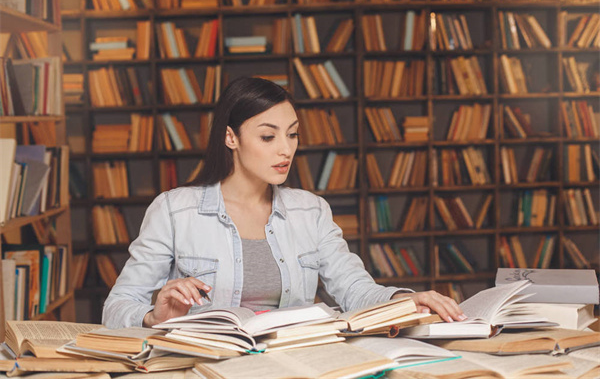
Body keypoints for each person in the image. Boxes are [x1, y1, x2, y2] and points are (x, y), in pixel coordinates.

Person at [102, 77, 466, 329]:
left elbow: (356, 289)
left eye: (292, 134)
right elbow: (116, 307)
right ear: (231, 137)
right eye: (268, 136)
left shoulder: (312, 211)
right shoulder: (174, 210)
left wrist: (406, 299)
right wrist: (153, 316)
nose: (286, 149)